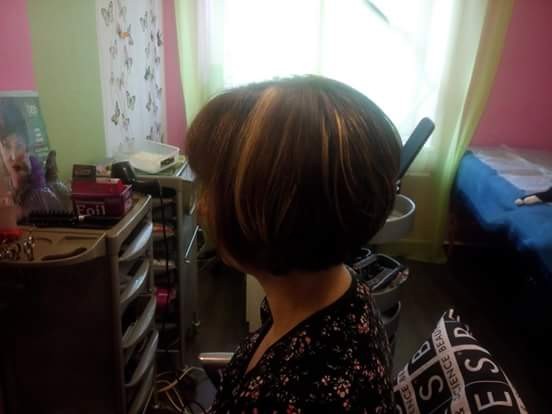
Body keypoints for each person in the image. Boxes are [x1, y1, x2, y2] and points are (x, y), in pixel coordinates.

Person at [185, 75, 401, 413]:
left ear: (274, 213)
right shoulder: (340, 289)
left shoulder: (298, 395)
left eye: (210, 188)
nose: (202, 207)